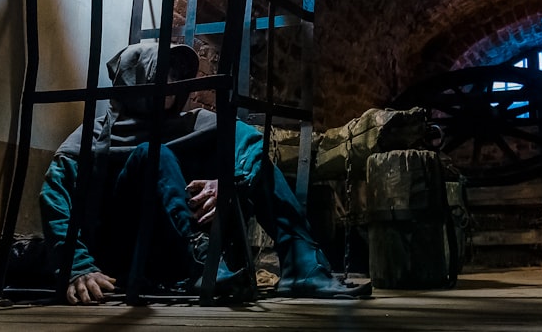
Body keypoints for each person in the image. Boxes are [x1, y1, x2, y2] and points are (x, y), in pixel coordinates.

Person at [39, 42, 372, 304]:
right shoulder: (95, 135)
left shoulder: (193, 125)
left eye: (175, 75)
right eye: (160, 74)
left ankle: (300, 261)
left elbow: (250, 145)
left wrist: (229, 183)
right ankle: (203, 267)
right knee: (151, 153)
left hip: (173, 257)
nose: (171, 83)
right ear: (135, 80)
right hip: (122, 254)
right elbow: (55, 192)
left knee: (246, 143)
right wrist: (77, 265)